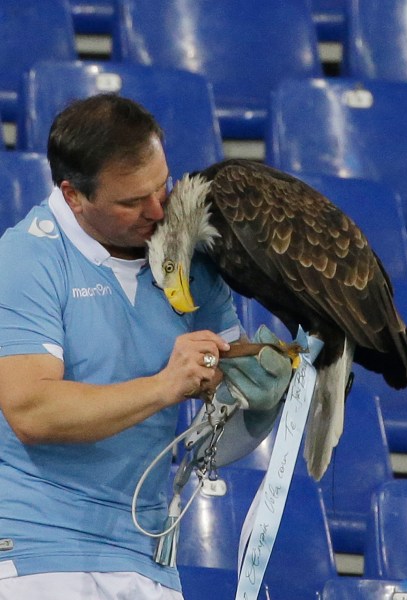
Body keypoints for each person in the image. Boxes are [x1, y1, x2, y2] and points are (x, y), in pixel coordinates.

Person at [0, 94, 290, 599]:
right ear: (73, 196)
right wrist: (163, 387)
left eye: (163, 186)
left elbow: (211, 443)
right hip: (36, 553)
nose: (158, 211)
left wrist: (258, 406)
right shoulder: (25, 258)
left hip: (148, 556)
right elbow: (32, 411)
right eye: (132, 201)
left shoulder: (192, 260)